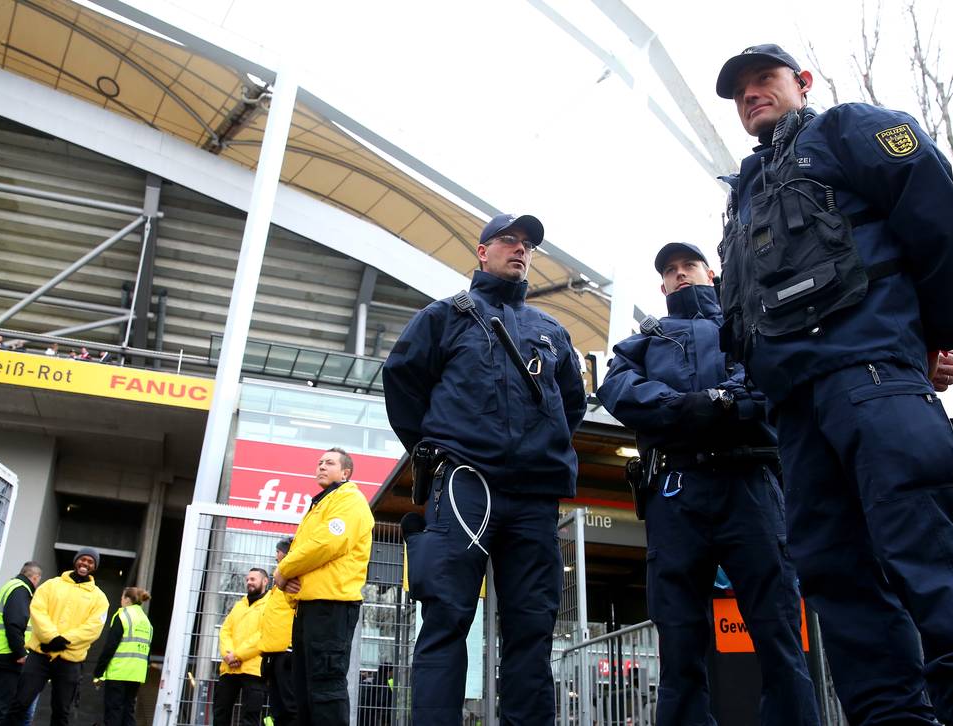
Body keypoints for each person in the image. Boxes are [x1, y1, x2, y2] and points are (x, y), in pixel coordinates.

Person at [713, 44, 953, 724]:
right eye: (739, 91)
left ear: (803, 83)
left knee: (922, 553)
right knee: (833, 576)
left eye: (764, 79)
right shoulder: (743, 197)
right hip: (794, 415)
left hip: (872, 375)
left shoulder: (847, 130)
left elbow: (943, 219)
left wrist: (937, 336)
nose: (751, 94)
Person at [597, 242, 819, 725]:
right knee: (679, 640)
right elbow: (617, 389)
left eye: (688, 266)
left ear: (710, 272)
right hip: (676, 491)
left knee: (779, 630)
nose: (680, 275)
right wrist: (690, 406)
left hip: (751, 485)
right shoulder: (645, 340)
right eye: (670, 271)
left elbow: (771, 382)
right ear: (662, 285)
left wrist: (720, 402)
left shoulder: (747, 327)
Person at [383, 212, 588, 725]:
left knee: (532, 630)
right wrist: (436, 448)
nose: (520, 250)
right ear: (482, 252)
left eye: (528, 245)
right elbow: (402, 382)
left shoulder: (552, 331)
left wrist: (537, 447)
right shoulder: (444, 316)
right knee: (447, 619)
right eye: (508, 241)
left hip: (534, 499)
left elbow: (571, 404)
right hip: (462, 486)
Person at [274, 447, 373, 726]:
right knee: (305, 690)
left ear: (346, 473)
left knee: (325, 687)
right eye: (319, 462)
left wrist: (283, 571)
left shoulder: (349, 500)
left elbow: (326, 543)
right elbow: (304, 549)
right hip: (310, 607)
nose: (321, 466)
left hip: (331, 607)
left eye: (329, 462)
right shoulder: (321, 505)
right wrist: (286, 577)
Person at [2, 548, 108, 726]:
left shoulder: (100, 598)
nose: (85, 564)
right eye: (83, 559)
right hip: (40, 655)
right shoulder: (51, 585)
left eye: (90, 562)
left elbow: (94, 627)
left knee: (61, 712)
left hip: (70, 661)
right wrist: (51, 638)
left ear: (94, 567)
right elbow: (37, 610)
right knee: (20, 703)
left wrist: (64, 640)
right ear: (76, 561)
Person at [0, 562, 43, 726]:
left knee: (2, 708)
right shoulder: (21, 589)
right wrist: (21, 653)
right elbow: (14, 623)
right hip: (8, 656)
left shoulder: (10, 586)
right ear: (35, 577)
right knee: (1, 710)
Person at [214, 569, 270, 726]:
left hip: (253, 669)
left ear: (265, 581)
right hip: (229, 668)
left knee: (250, 717)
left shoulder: (270, 604)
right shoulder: (239, 605)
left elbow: (263, 634)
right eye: (247, 579)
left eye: (253, 579)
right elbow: (225, 630)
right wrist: (227, 654)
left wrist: (237, 655)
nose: (249, 582)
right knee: (220, 714)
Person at [94, 587, 154, 726]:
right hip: (136, 674)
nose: (121, 600)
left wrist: (98, 671)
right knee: (128, 711)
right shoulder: (146, 621)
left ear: (127, 599)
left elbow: (110, 646)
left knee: (114, 711)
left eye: (122, 597)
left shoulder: (123, 616)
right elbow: (148, 652)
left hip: (119, 672)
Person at [258, 538, 298, 726]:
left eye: (279, 551)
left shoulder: (296, 579)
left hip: (287, 652)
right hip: (273, 653)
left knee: (290, 708)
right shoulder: (279, 585)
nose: (276, 556)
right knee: (279, 709)